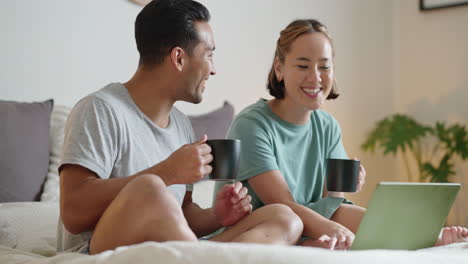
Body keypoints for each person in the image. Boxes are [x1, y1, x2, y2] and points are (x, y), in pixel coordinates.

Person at [57, 0, 303, 255]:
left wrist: (216, 216)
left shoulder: (182, 125)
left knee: (284, 217)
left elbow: (180, 215)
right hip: (98, 254)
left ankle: (204, 259)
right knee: (149, 189)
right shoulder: (100, 109)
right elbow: (73, 212)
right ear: (178, 58)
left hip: (171, 251)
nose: (214, 69)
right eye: (209, 55)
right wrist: (167, 171)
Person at [226, 19, 468, 250]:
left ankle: (429, 238)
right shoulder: (252, 125)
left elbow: (330, 203)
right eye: (302, 66)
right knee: (294, 217)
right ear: (279, 68)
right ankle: (313, 243)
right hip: (266, 225)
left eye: (324, 66)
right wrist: (332, 229)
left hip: (303, 221)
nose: (316, 77)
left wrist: (340, 189)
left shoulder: (328, 126)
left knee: (348, 213)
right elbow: (282, 203)